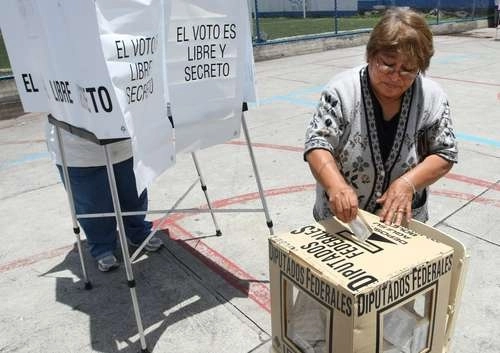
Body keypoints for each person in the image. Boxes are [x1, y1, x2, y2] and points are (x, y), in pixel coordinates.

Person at [304, 8, 457, 227]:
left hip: (402, 219)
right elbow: (317, 143)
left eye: (408, 69)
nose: (395, 76)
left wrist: (407, 183)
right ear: (371, 55)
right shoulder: (342, 91)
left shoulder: (432, 96)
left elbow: (445, 152)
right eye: (387, 64)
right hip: (344, 220)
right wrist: (336, 185)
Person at [46, 121, 164, 272]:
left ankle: (138, 232)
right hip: (77, 152)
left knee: (134, 195)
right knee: (93, 206)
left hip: (125, 145)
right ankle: (102, 247)